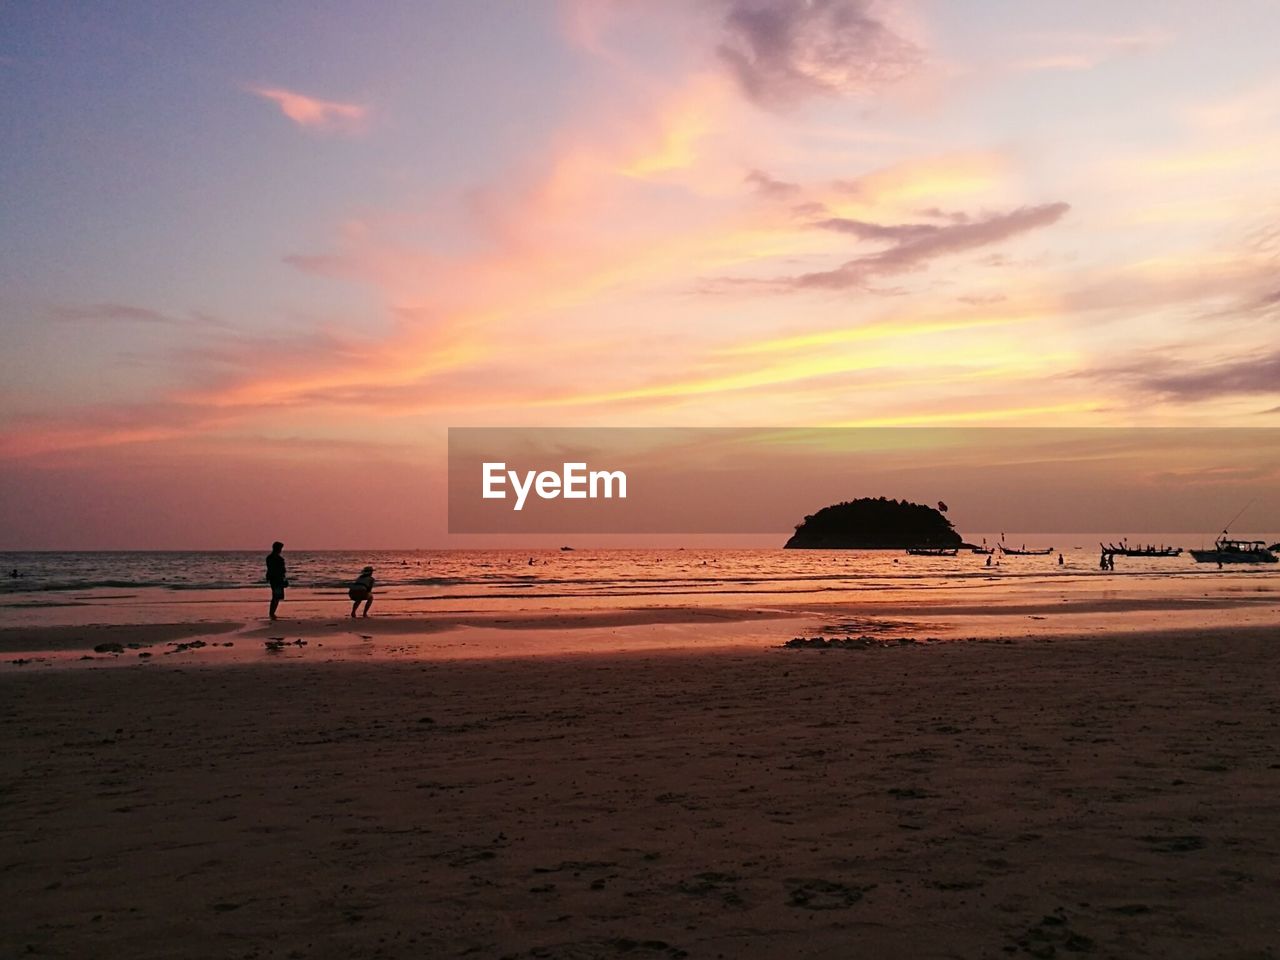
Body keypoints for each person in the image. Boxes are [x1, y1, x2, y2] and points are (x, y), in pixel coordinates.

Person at [266, 541, 287, 620]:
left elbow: (270, 569)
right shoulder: (279, 559)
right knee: (276, 597)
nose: (281, 550)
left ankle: (272, 613)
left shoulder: (269, 558)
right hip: (277, 579)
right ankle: (272, 613)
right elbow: (282, 570)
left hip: (273, 579)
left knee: (275, 596)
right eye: (280, 548)